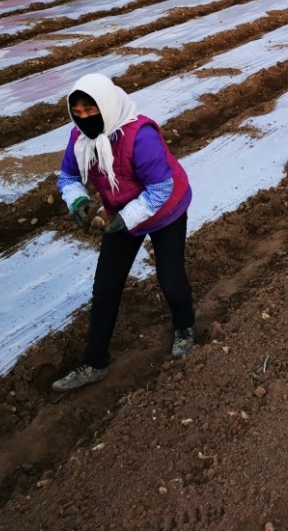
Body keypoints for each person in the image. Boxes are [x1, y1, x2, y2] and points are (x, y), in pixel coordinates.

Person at [53, 73, 195, 390]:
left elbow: (160, 189)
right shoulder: (80, 139)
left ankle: (184, 327)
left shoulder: (140, 137)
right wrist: (78, 202)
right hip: (121, 211)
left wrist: (124, 219)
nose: (84, 118)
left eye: (91, 111)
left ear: (106, 106)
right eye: (78, 112)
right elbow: (67, 176)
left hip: (165, 210)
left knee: (170, 280)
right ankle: (94, 362)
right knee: (105, 287)